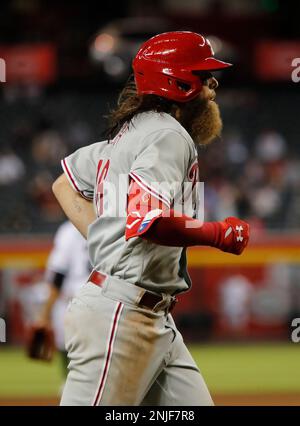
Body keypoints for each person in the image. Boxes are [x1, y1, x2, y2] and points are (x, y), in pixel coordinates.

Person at [52, 31, 250, 406]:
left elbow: (64, 184)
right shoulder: (167, 135)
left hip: (150, 314)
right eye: (202, 75)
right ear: (177, 82)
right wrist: (218, 234)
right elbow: (149, 219)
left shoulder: (127, 135)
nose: (212, 85)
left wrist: (105, 236)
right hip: (122, 315)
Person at [32, 221, 90, 373]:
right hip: (106, 297)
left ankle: (70, 386)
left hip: (74, 299)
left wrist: (44, 315)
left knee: (68, 348)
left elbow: (58, 274)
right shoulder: (110, 223)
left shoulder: (69, 230)